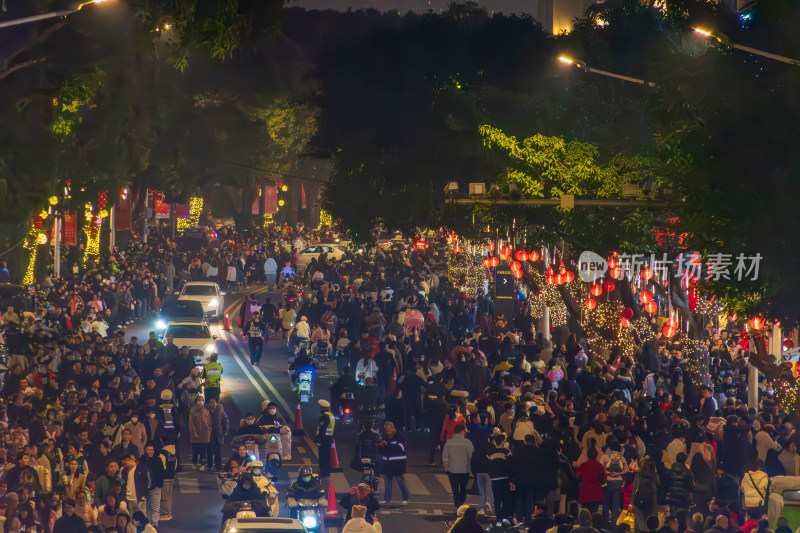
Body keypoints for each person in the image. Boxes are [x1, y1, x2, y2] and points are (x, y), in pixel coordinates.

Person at [442, 424, 473, 510]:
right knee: (463, 488)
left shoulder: (449, 442)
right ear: (462, 431)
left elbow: (445, 456)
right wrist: (471, 468)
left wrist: (446, 468)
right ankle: (461, 503)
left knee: (455, 489)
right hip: (465, 470)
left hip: (452, 470)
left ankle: (457, 504)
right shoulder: (467, 443)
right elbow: (471, 456)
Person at [378, 421, 409, 505]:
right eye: (386, 430)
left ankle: (405, 498)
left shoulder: (399, 436)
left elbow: (401, 448)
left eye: (388, 430)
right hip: (388, 464)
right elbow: (382, 451)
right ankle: (387, 499)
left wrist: (388, 444)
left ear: (393, 428)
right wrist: (380, 445)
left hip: (398, 464)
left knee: (400, 480)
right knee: (388, 482)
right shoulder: (385, 437)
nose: (387, 432)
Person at [189, 395, 212, 469]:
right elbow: (191, 423)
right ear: (196, 401)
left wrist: (209, 428)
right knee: (195, 450)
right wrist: (194, 432)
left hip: (205, 434)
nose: (201, 401)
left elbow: (209, 421)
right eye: (199, 400)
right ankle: (194, 463)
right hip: (196, 434)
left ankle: (203, 464)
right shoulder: (193, 410)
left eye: (202, 400)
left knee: (203, 451)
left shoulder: (206, 411)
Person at [316, 399, 335, 478]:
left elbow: (322, 429)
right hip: (329, 438)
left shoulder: (324, 416)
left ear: (322, 408)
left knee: (322, 456)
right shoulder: (331, 415)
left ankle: (323, 472)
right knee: (327, 456)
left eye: (320, 407)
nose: (320, 409)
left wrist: (319, 440)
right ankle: (327, 471)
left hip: (323, 439)